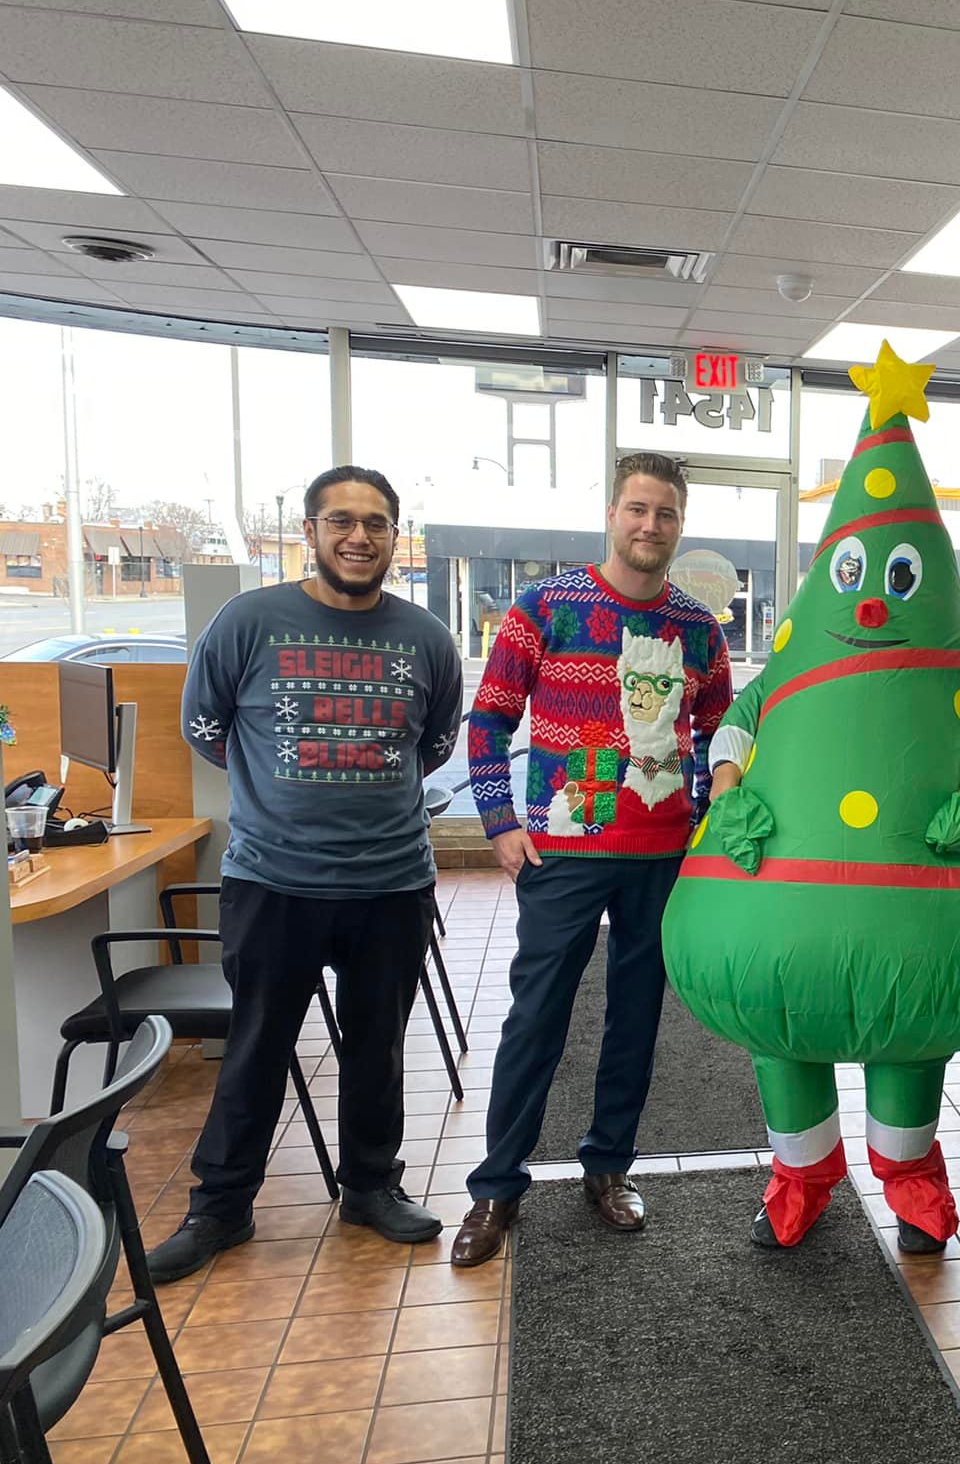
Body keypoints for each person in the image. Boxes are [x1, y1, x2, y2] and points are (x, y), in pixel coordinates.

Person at [663, 346, 960, 1255]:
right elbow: (738, 724)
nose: (871, 605)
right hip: (774, 907)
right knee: (784, 1037)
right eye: (859, 577)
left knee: (912, 1039)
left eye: (900, 581)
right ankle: (801, 1180)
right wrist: (729, 791)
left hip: (921, 916)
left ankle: (910, 1182)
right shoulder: (786, 673)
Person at [151, 466, 464, 1283]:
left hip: (390, 883)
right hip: (273, 881)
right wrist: (280, 794)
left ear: (395, 536)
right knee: (256, 1045)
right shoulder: (248, 622)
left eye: (376, 523)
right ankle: (221, 1208)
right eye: (341, 521)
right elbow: (204, 726)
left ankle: (370, 1186)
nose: (359, 537)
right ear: (311, 532)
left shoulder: (427, 638)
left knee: (377, 1048)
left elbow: (433, 743)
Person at [451, 452, 732, 1268]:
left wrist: (708, 820)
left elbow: (720, 735)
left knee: (636, 1020)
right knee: (536, 1015)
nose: (650, 525)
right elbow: (488, 721)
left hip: (662, 856)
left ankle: (608, 1166)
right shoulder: (544, 608)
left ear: (680, 524)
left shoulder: (698, 629)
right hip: (563, 853)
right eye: (637, 509)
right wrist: (499, 822)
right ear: (611, 514)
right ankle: (496, 1185)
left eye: (666, 513)